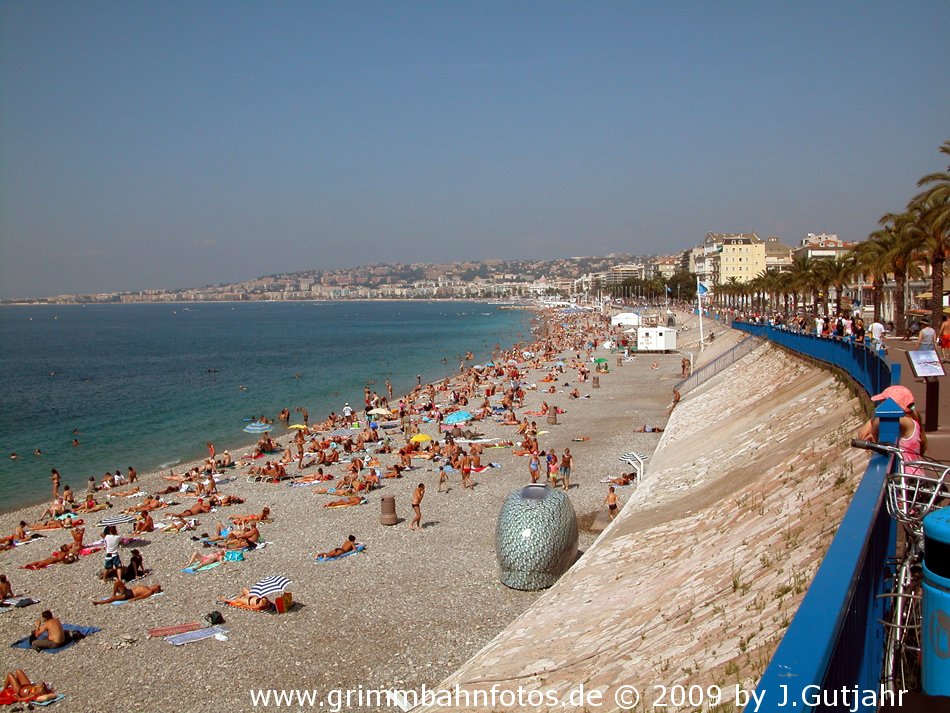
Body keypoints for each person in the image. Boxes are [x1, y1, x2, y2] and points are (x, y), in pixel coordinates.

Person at [856, 384, 926, 475]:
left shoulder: (909, 423)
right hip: (904, 477)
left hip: (908, 480)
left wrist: (872, 428)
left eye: (883, 402)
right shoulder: (907, 422)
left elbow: (884, 419)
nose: (879, 407)